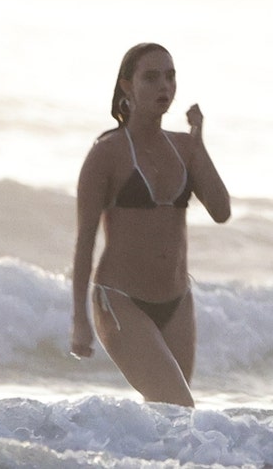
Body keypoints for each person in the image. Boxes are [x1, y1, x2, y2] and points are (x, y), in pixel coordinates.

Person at [70, 43, 230, 407]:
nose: (165, 86)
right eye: (152, 77)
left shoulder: (184, 148)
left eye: (170, 76)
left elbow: (221, 210)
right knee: (179, 408)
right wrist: (80, 318)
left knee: (170, 420)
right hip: (121, 300)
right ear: (127, 85)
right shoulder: (106, 154)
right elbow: (84, 241)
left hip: (177, 301)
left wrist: (199, 143)